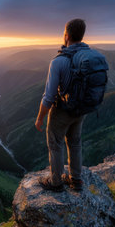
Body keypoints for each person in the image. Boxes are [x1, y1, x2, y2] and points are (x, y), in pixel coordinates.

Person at [34, 18, 89, 192]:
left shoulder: (58, 62)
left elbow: (48, 97)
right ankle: (77, 180)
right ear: (82, 35)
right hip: (81, 110)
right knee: (75, 142)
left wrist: (40, 118)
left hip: (62, 111)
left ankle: (56, 182)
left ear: (66, 35)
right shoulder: (88, 57)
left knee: (56, 143)